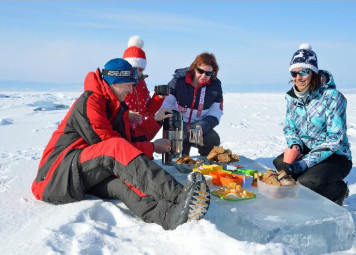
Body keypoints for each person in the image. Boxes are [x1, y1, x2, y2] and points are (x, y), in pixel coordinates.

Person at [31, 58, 210, 230]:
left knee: (122, 183)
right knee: (115, 148)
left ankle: (170, 215)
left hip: (81, 175)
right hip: (56, 174)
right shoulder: (90, 101)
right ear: (115, 82)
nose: (131, 91)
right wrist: (153, 147)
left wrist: (155, 120)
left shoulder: (117, 107)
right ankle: (179, 194)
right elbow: (112, 148)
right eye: (129, 85)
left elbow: (130, 140)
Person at [273, 43, 352, 206]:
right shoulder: (292, 98)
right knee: (280, 165)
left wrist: (305, 163)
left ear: (313, 72)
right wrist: (296, 146)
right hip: (307, 151)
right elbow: (289, 127)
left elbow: (335, 139)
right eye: (294, 73)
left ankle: (339, 191)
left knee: (306, 182)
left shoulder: (332, 97)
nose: (298, 78)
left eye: (303, 71)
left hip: (336, 156)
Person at [160, 52, 223, 156]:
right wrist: (174, 122)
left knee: (212, 138)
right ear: (194, 68)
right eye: (200, 71)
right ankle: (178, 159)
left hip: (198, 127)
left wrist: (202, 126)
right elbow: (166, 104)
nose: (204, 76)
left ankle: (205, 164)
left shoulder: (215, 87)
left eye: (208, 73)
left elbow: (216, 112)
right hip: (178, 125)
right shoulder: (179, 81)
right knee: (177, 156)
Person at [123, 35, 165, 128]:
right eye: (134, 68)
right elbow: (111, 110)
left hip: (140, 131)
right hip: (123, 131)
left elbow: (148, 111)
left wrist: (158, 97)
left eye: (140, 69)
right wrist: (126, 115)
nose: (137, 73)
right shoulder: (119, 84)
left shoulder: (142, 84)